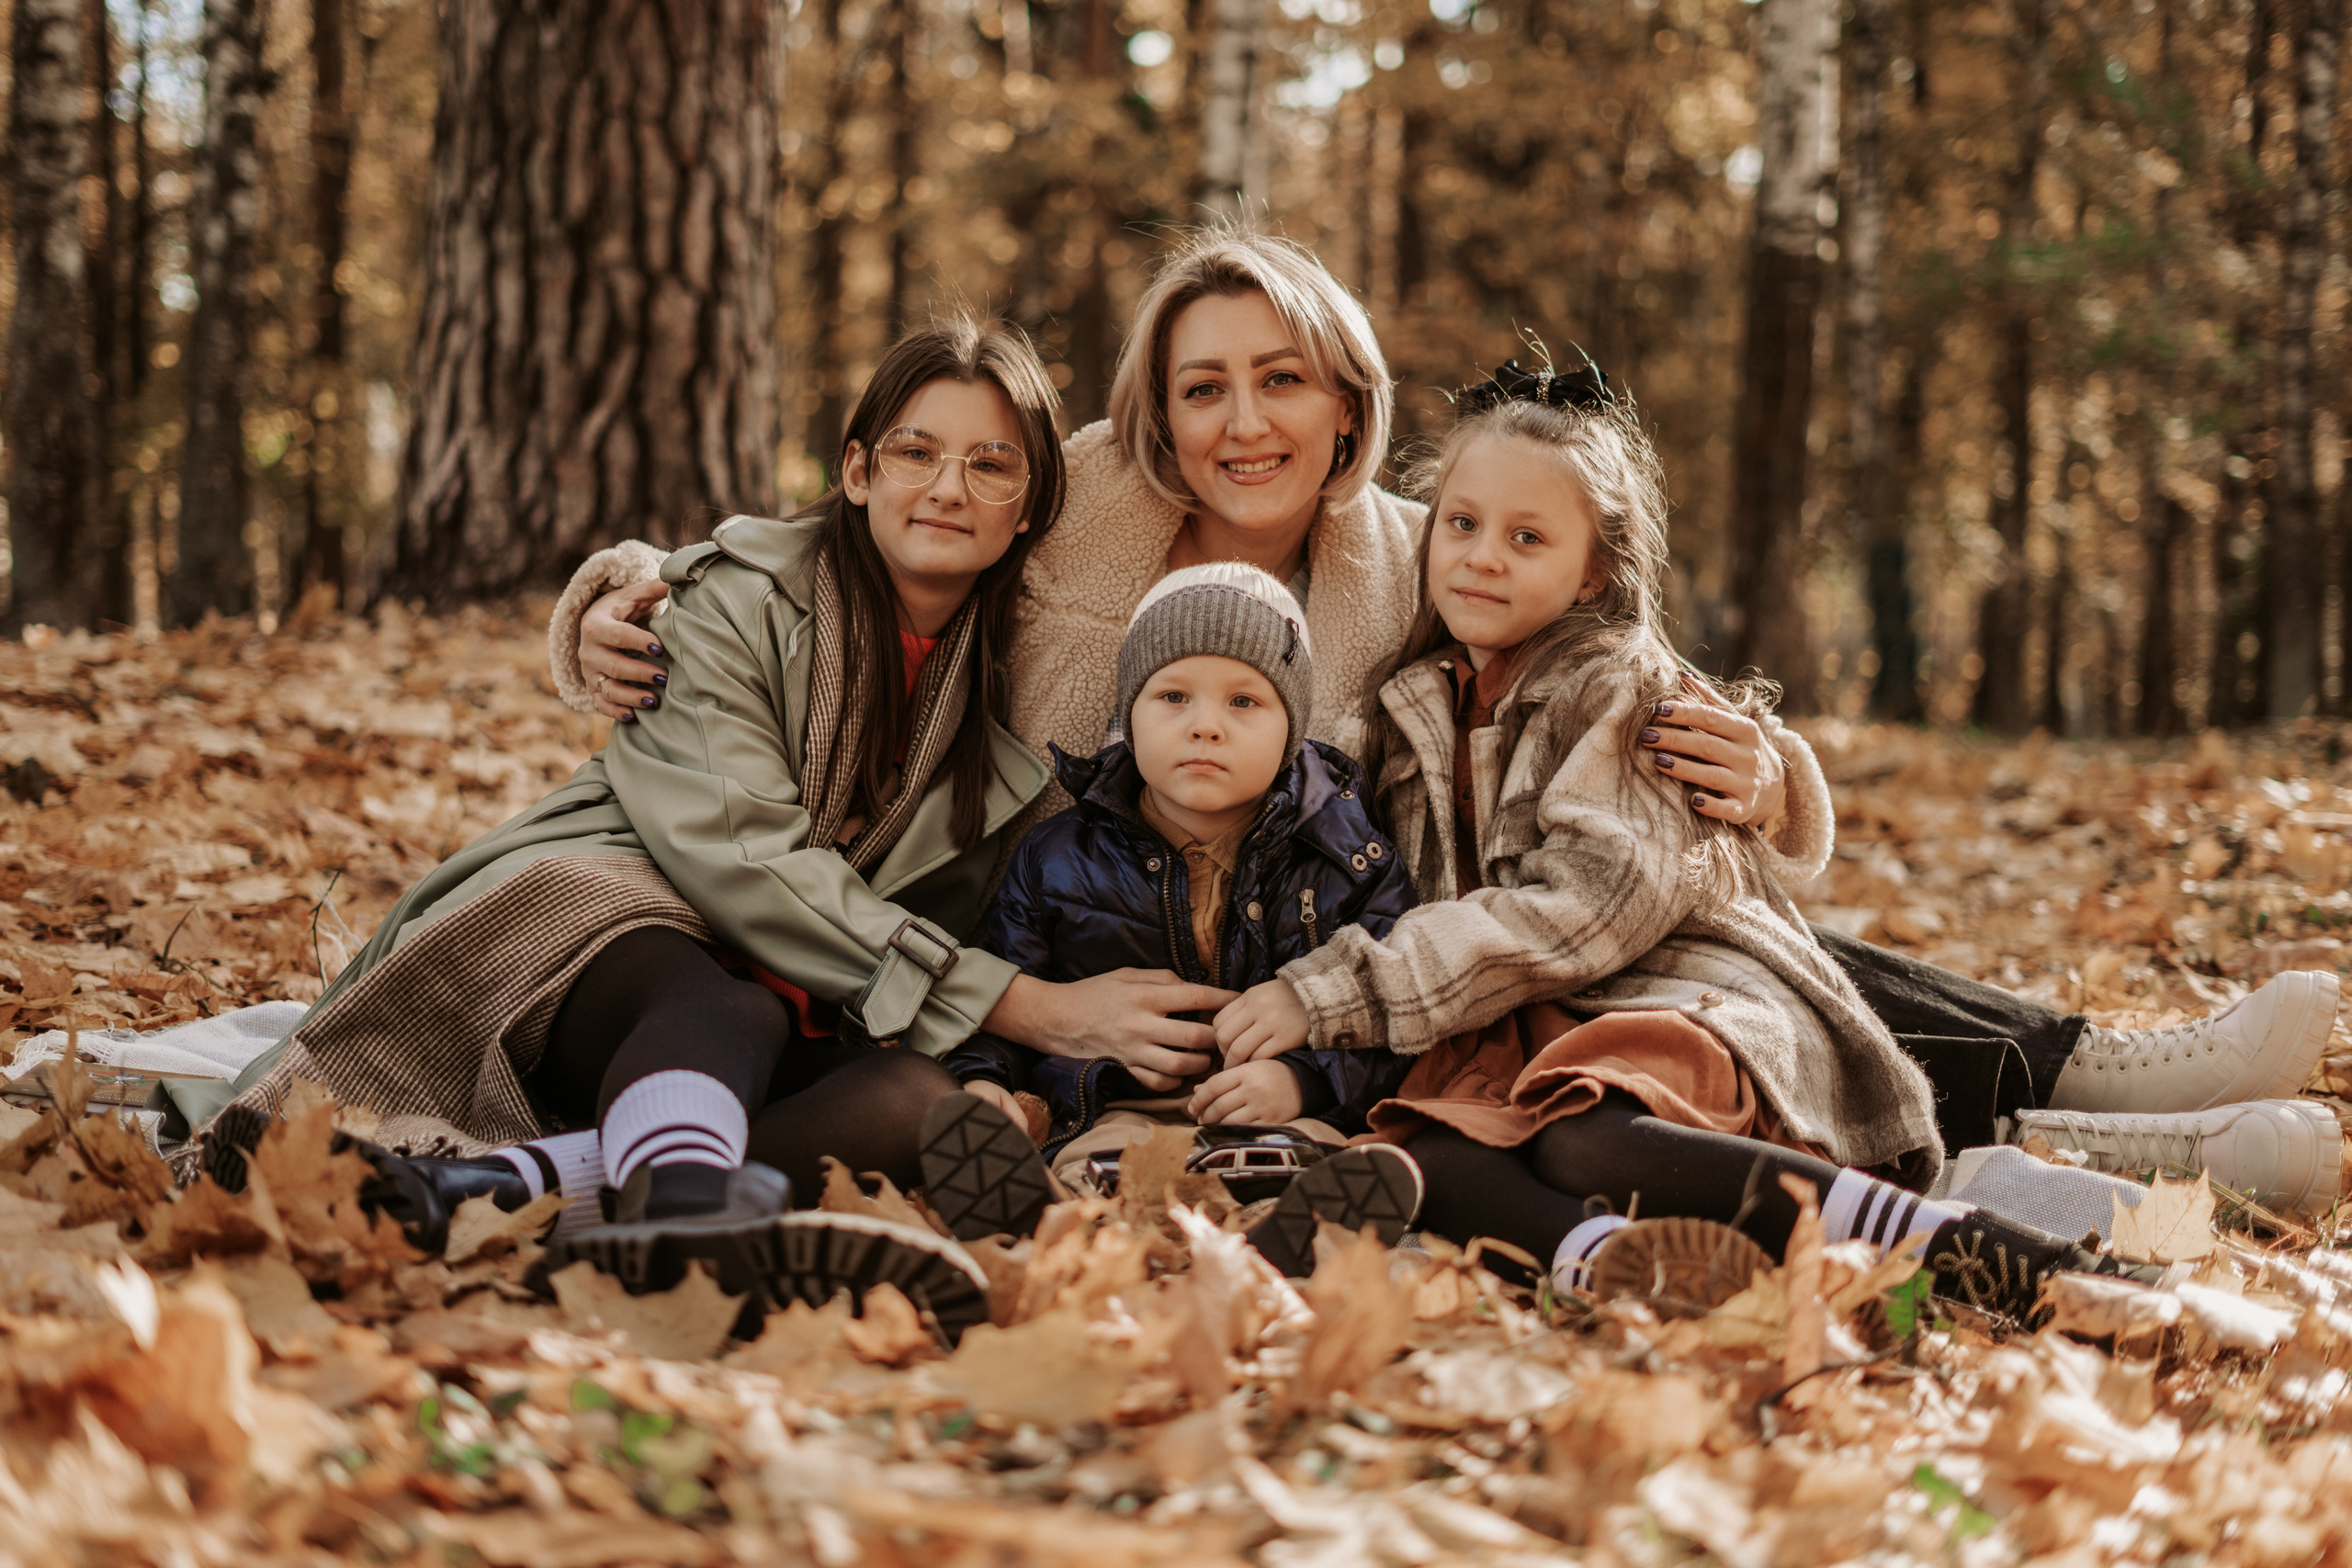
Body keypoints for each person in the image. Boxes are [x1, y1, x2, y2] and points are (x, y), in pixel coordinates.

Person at [557, 228, 2336, 1169]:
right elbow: (855, 530)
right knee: (1617, 962)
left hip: (1363, 934)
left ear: (1346, 400)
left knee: (1665, 928)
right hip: (1052, 927)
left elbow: (1615, 673)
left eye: (1278, 381)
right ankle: (2077, 1104)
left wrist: (1764, 761)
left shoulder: (1423, 547)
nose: (1237, 421)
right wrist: (624, 590)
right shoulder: (1072, 487)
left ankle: (2091, 1078)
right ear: (1147, 408)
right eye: (1199, 387)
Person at [188, 318, 1217, 1344]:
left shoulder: (1003, 694)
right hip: (595, 936)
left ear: (1029, 507)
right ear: (856, 471)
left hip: (813, 985)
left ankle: (484, 1191)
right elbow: (744, 862)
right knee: (724, 1003)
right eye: (915, 450)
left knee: (916, 1098)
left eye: (992, 465)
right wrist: (1031, 1008)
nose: (948, 488)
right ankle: (689, 1226)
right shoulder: (734, 601)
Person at [1209, 357, 2161, 1320]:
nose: (1481, 556)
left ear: (1595, 571)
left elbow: (1587, 908)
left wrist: (1338, 994)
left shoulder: (1623, 695)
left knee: (1589, 1140)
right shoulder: (1400, 713)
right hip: (1513, 1027)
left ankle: (1969, 1248)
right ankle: (1620, 1266)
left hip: (1674, 1006)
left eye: (1526, 537)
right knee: (1423, 1145)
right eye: (1461, 524)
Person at [921, 563, 1424, 1277]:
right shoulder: (1059, 856)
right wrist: (985, 1081)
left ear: (1293, 730)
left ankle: (1276, 1246)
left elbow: (1391, 1011)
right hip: (1124, 1114)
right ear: (1129, 713)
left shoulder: (1348, 855)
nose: (1206, 726)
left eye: (1245, 701)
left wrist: (1306, 1082)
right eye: (1173, 696)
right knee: (1098, 1169)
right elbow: (1002, 989)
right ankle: (1061, 1232)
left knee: (1306, 1156)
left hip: (1273, 1114)